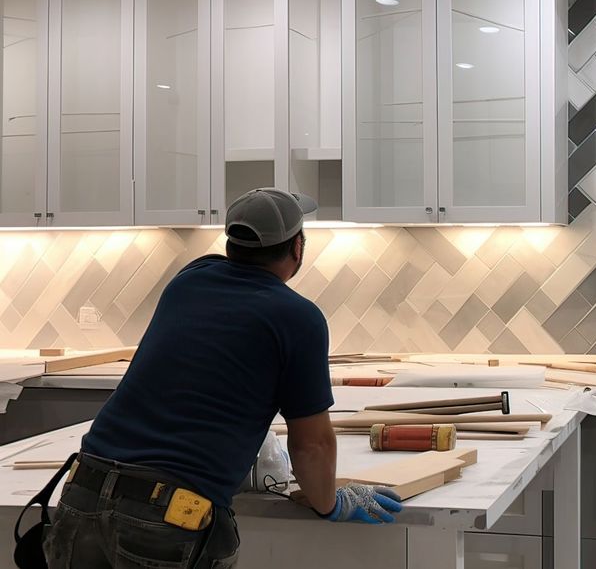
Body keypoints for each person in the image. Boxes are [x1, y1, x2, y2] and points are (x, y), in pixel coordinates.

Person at [43, 188, 402, 569]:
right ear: (297, 247)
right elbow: (311, 446)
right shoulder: (298, 318)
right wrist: (330, 502)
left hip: (81, 495)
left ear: (230, 244)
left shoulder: (188, 280)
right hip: (165, 519)